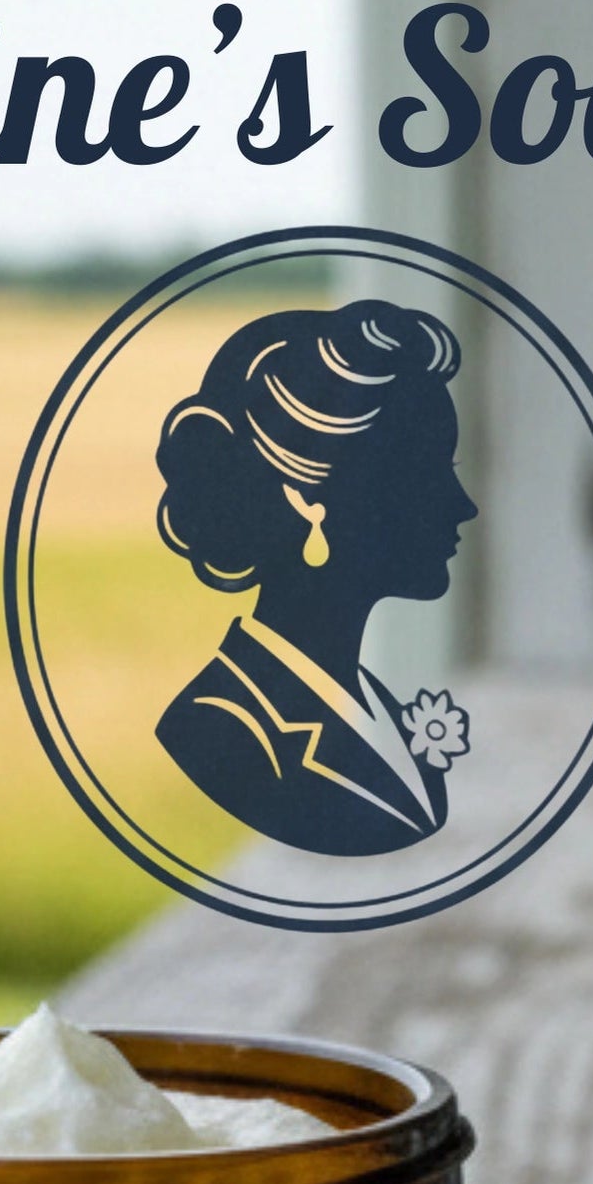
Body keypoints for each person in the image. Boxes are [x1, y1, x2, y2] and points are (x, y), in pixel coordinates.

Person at [153, 300, 477, 856]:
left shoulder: (377, 703)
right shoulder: (223, 726)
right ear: (309, 501)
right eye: (425, 475)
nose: (463, 506)